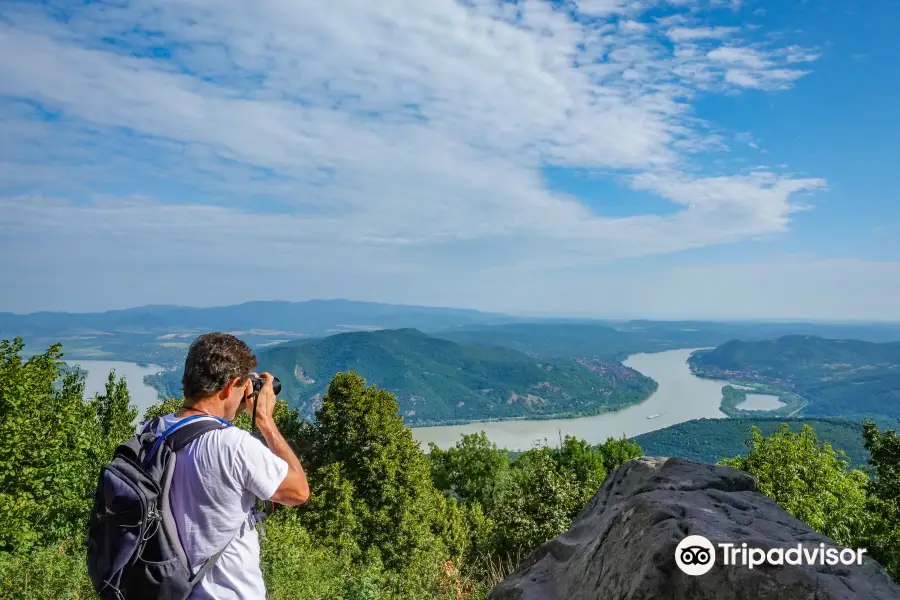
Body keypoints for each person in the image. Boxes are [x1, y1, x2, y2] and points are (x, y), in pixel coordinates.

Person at [136, 332, 310, 599]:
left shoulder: (152, 432)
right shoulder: (232, 445)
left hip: (165, 589)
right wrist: (265, 420)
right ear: (230, 388)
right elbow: (298, 491)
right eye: (244, 387)